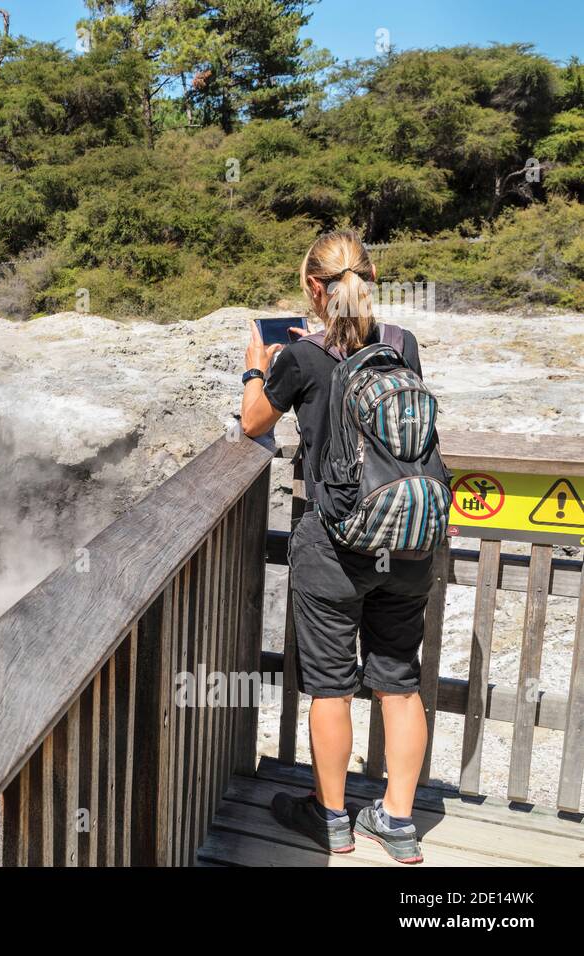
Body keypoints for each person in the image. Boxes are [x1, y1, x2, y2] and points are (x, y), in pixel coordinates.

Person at [239, 231, 431, 864]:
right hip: (405, 541)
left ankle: (333, 821)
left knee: (330, 687)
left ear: (312, 290)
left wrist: (257, 365)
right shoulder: (401, 343)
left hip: (334, 543)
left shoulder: (301, 358)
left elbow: (252, 424)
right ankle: (397, 822)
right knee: (400, 683)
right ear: (371, 280)